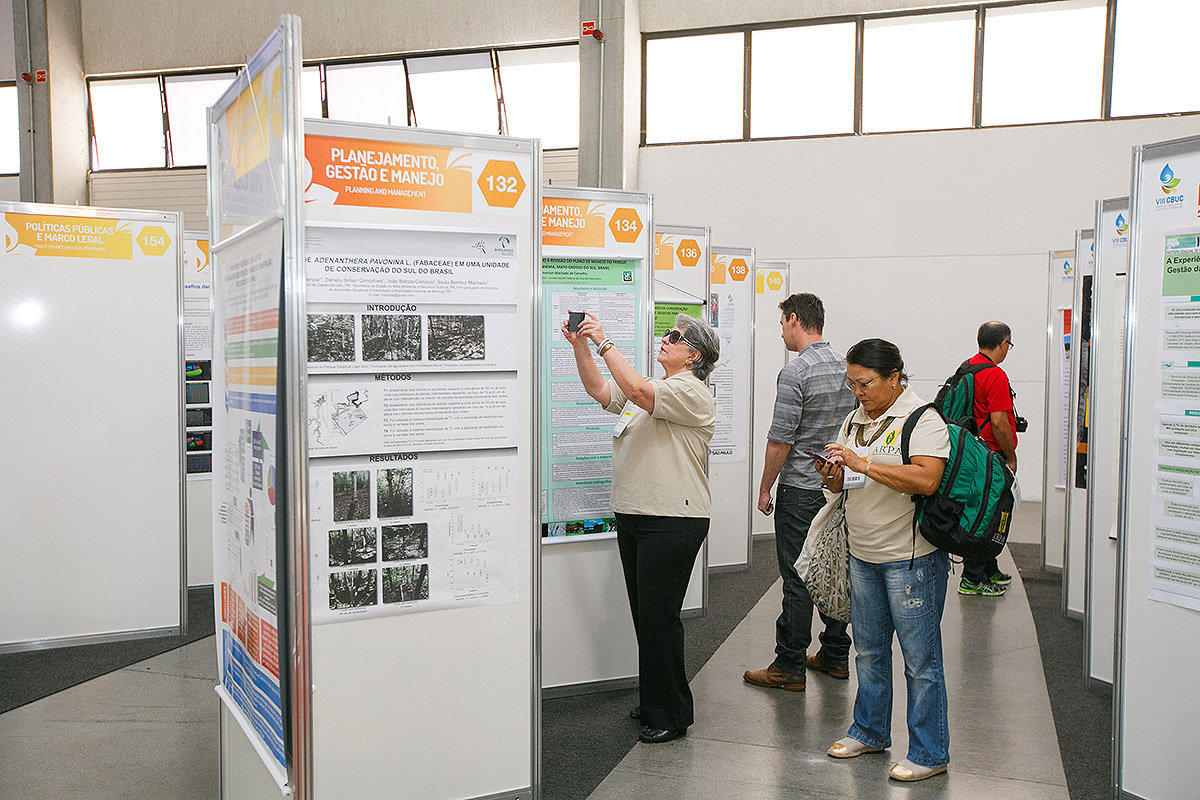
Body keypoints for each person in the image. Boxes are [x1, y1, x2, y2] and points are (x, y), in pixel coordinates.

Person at [562, 310, 720, 745]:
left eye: (675, 336)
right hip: (637, 515)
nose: (665, 339)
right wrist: (581, 347)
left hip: (672, 520)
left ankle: (671, 714)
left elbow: (634, 390)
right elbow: (600, 390)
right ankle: (655, 700)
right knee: (646, 617)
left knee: (659, 619)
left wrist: (603, 342)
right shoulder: (656, 388)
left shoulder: (690, 392)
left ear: (694, 356)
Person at [815, 338, 952, 782]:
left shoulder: (922, 418)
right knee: (869, 653)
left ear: (894, 378)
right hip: (863, 554)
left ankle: (929, 752)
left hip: (911, 560)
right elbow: (845, 486)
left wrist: (863, 464)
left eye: (866, 383)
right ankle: (869, 730)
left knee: (920, 662)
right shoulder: (854, 419)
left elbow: (927, 480)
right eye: (852, 384)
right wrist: (833, 476)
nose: (858, 392)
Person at [744, 293, 856, 691]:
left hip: (800, 489)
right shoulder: (847, 367)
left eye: (781, 324)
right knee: (834, 569)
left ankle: (789, 665)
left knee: (797, 576)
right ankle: (835, 655)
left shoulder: (795, 372)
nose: (781, 333)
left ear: (794, 319)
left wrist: (764, 488)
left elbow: (780, 440)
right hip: (838, 487)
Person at [958, 321, 1017, 597]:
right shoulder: (995, 375)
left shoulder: (967, 367)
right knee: (987, 515)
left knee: (983, 510)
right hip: (991, 456)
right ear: (1002, 343)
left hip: (972, 452)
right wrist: (1010, 456)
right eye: (1009, 344)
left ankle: (989, 568)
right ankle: (972, 577)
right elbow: (998, 422)